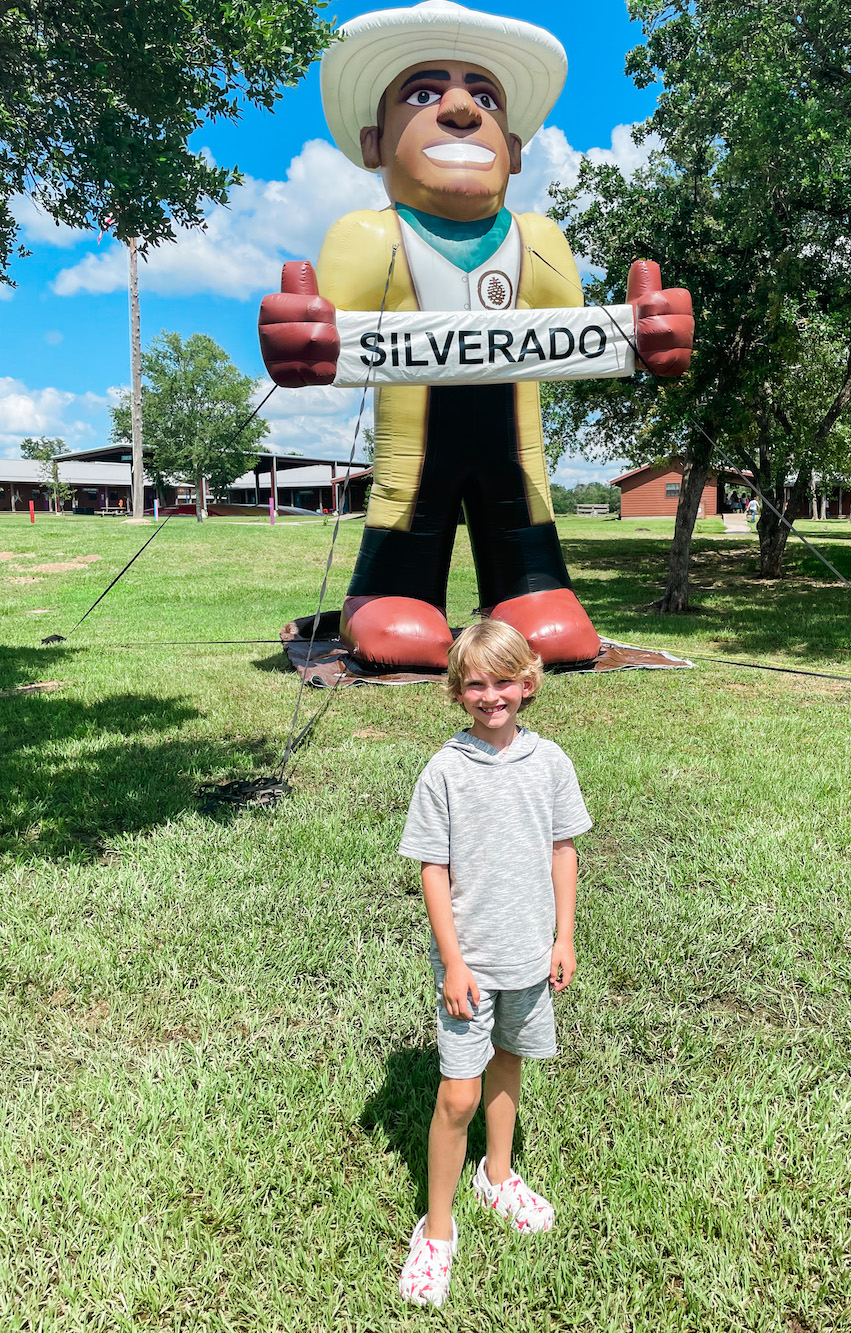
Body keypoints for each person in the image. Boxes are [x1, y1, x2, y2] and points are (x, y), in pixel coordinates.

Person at [258, 0, 693, 671]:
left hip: (517, 455)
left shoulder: (539, 241)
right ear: (376, 143)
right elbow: (327, 334)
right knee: (407, 505)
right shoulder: (369, 237)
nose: (461, 110)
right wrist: (302, 338)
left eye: (484, 96)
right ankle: (388, 591)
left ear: (513, 152)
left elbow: (581, 340)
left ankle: (530, 590)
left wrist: (647, 332)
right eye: (425, 92)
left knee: (521, 506)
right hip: (410, 458)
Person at [396, 619, 591, 1307]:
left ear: (529, 682)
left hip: (530, 957)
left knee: (509, 1061)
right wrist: (452, 960)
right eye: (475, 683)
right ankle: (438, 1229)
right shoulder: (445, 769)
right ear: (457, 691)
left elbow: (563, 850)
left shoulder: (552, 763)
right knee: (458, 1093)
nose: (490, 694)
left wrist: (562, 936)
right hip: (470, 965)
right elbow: (432, 868)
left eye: (503, 680)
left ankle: (498, 1175)